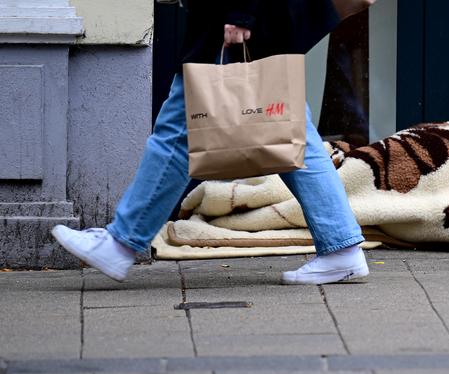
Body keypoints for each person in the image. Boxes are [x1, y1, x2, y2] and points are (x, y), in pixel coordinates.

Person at [51, 0, 369, 285]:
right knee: (289, 130)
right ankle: (341, 245)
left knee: (179, 132)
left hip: (238, 19)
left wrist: (241, 13)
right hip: (252, 15)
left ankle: (120, 243)